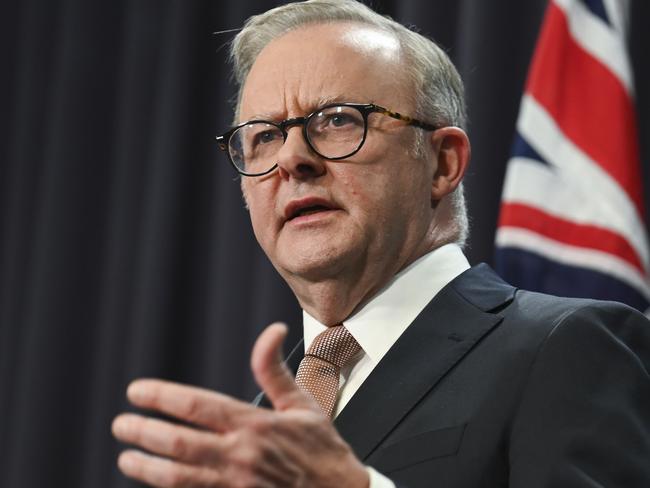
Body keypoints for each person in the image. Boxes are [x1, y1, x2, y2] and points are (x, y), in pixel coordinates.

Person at [112, 0, 650, 486]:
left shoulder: (566, 346)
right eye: (265, 136)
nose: (293, 159)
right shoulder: (258, 434)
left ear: (442, 163)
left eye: (339, 120)